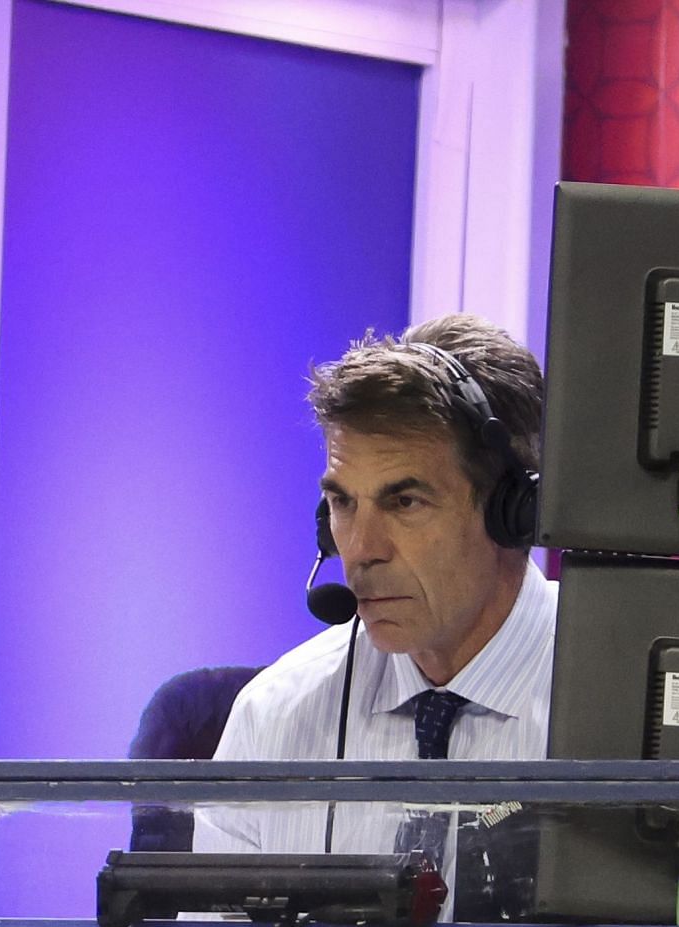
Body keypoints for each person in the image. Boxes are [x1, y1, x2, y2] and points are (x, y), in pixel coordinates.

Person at [195, 313, 556, 857]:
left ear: (515, 512)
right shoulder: (273, 717)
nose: (361, 549)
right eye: (343, 503)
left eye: (404, 501)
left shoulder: (628, 713)